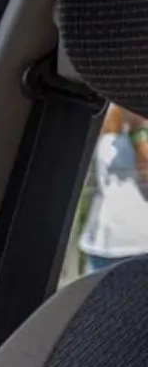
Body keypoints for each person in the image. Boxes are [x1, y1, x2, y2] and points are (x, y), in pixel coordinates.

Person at [77, 103, 148, 275]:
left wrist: (138, 128)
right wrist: (119, 101)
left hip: (138, 252)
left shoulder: (139, 130)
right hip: (98, 248)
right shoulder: (116, 129)